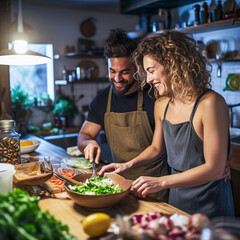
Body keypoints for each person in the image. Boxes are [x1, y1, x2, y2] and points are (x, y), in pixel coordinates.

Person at [99, 31, 235, 218]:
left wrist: (161, 182)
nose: (148, 80)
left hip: (210, 201)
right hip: (177, 196)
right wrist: (127, 165)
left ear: (174, 65)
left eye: (151, 71)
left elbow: (215, 169)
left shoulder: (210, 103)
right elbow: (156, 148)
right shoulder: (161, 104)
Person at [77, 28, 169, 201]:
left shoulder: (154, 96)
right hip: (120, 185)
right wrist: (88, 143)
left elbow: (159, 147)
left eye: (124, 72)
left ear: (137, 67)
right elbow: (84, 134)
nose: (117, 78)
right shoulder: (102, 100)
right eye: (113, 71)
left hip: (154, 186)